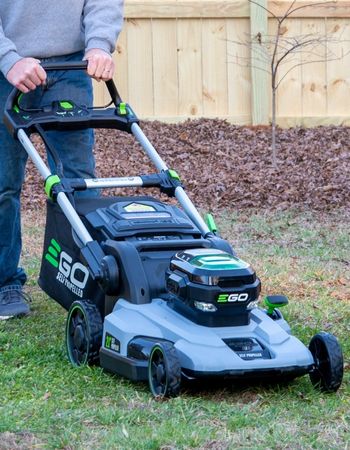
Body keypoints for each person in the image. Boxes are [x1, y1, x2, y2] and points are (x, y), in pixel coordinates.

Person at [0, 0, 124, 319]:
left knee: (78, 182)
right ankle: (4, 283)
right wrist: (8, 58)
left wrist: (99, 45)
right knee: (3, 183)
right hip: (6, 71)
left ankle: (92, 278)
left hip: (70, 68)